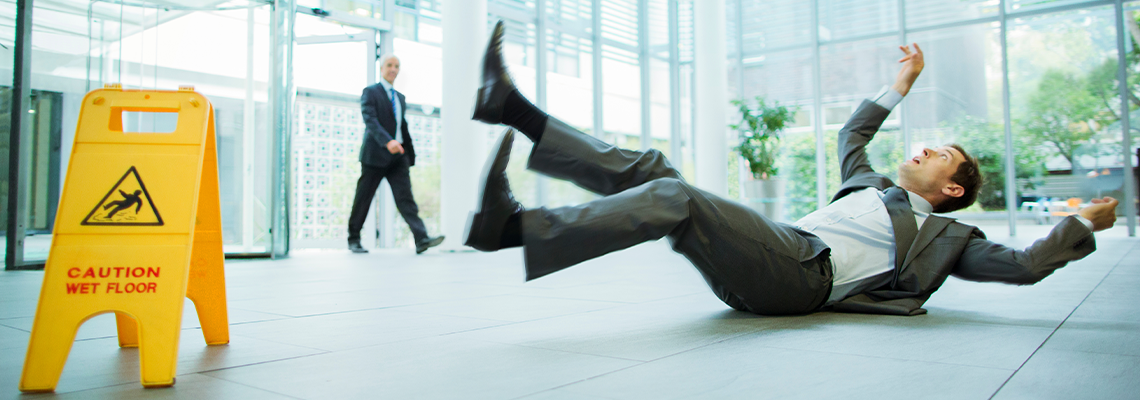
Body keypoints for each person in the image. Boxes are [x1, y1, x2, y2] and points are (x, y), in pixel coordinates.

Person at [462, 21, 1119, 316]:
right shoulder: (868, 182)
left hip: (802, 278)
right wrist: (902, 86)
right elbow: (854, 130)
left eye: (941, 154)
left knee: (675, 197)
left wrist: (1085, 222)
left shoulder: (952, 242)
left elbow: (1027, 267)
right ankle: (513, 108)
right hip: (776, 248)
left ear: (951, 190)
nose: (922, 148)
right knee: (661, 171)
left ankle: (511, 228)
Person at [348, 54, 444, 254]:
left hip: (398, 156)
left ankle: (421, 239)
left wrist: (408, 153)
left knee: (405, 199)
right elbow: (370, 120)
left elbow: (401, 125)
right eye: (390, 65)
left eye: (397, 66)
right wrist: (387, 141)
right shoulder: (370, 92)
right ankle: (354, 238)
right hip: (375, 155)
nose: (393, 69)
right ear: (382, 68)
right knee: (364, 197)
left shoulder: (400, 97)